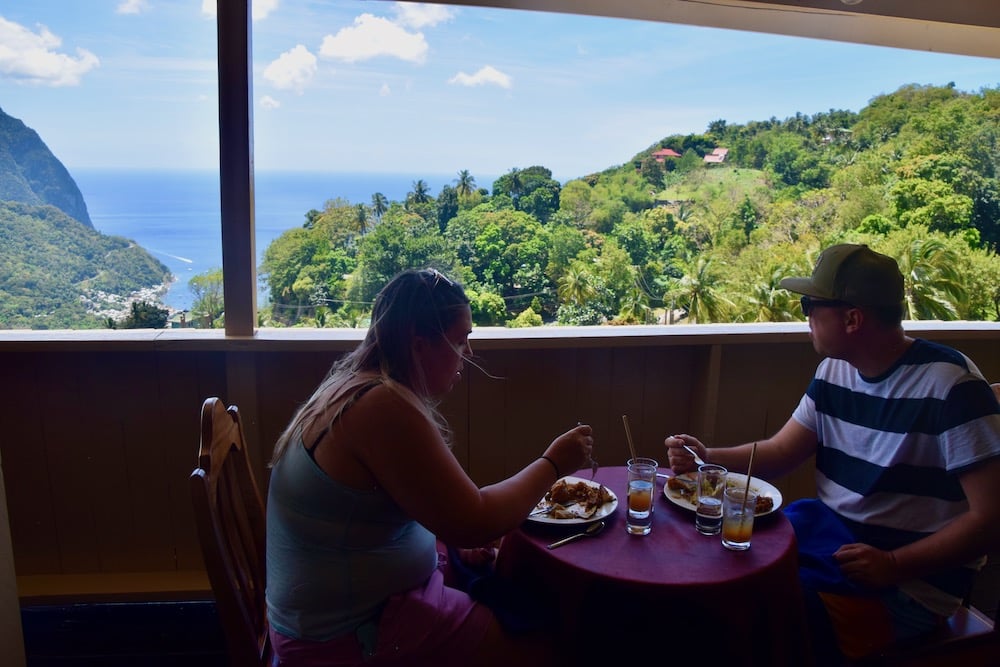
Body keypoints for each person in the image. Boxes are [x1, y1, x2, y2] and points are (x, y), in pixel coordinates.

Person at [664, 244, 1000, 663]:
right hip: (832, 546)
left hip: (906, 588)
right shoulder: (834, 371)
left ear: (852, 319)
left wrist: (894, 563)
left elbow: (990, 520)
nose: (805, 317)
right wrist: (706, 456)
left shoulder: (952, 387)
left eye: (810, 306)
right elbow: (782, 451)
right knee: (720, 573)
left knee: (751, 612)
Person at [265, 267, 593, 667]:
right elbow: (476, 521)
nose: (467, 352)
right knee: (548, 646)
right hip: (348, 636)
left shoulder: (352, 384)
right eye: (460, 339)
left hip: (330, 615)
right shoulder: (382, 408)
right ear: (419, 346)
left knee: (509, 587)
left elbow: (422, 509)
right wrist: (554, 463)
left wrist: (449, 535)